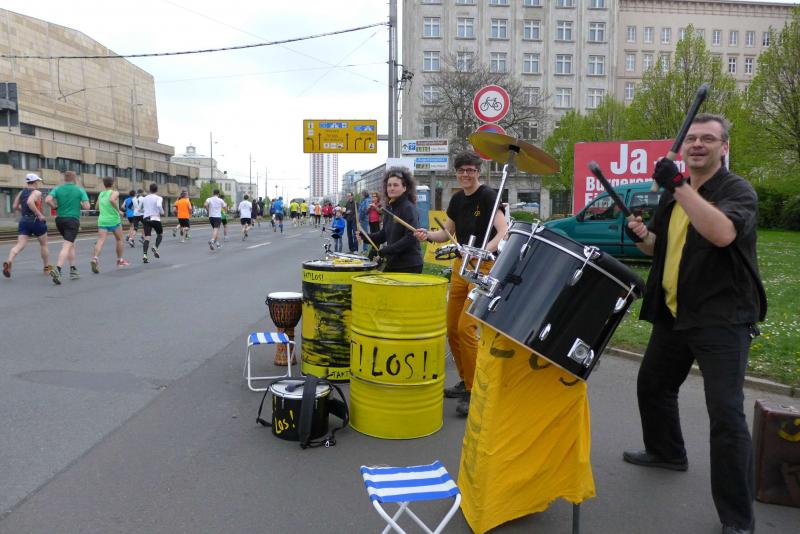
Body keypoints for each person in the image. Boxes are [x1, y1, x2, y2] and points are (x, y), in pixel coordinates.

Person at [623, 114, 766, 534]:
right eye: (692, 139)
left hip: (721, 318)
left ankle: (738, 519)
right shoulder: (675, 196)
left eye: (708, 139)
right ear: (683, 148)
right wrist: (642, 236)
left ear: (724, 148)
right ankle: (667, 452)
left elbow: (722, 234)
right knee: (653, 385)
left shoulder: (736, 190)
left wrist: (679, 186)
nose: (698, 144)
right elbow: (660, 249)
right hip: (676, 313)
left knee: (725, 415)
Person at [414, 151, 508, 416]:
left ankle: (475, 389)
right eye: (462, 170)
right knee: (452, 329)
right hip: (460, 267)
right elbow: (446, 233)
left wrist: (486, 250)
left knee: (466, 328)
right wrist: (427, 235)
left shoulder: (488, 196)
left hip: (483, 267)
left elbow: (503, 230)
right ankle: (466, 379)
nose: (466, 175)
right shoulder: (457, 199)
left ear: (477, 172)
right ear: (456, 173)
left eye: (470, 170)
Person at [364, 168, 423, 273]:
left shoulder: (408, 208)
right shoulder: (389, 207)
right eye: (389, 185)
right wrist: (365, 236)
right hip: (393, 262)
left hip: (409, 264)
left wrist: (387, 250)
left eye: (395, 185)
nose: (391, 188)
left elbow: (411, 237)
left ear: (404, 188)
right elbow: (384, 234)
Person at [3, 173, 52, 278]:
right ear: (34, 182)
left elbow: (15, 206)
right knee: (43, 245)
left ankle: (9, 261)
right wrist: (39, 214)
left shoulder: (21, 192)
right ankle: (47, 268)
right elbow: (30, 202)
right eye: (38, 181)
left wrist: (25, 212)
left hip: (24, 221)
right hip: (36, 221)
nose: (38, 183)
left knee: (19, 245)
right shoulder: (36, 192)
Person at [45, 170, 90, 284]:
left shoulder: (57, 189)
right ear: (75, 179)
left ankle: (73, 269)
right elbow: (87, 207)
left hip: (60, 220)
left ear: (64, 178)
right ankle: (58, 269)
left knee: (70, 244)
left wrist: (54, 206)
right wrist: (80, 202)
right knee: (66, 246)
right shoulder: (79, 190)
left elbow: (47, 200)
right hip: (72, 220)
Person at [90, 177, 129, 273]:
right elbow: (112, 200)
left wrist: (104, 208)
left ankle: (95, 258)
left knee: (100, 240)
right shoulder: (115, 192)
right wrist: (119, 211)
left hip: (102, 220)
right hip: (114, 220)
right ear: (113, 184)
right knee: (119, 239)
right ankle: (119, 260)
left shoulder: (101, 194)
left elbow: (96, 207)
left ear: (104, 184)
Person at [141, 183, 165, 263]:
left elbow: (141, 209)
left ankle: (145, 255)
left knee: (147, 238)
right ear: (156, 190)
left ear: (149, 189)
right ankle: (155, 247)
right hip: (155, 218)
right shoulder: (159, 198)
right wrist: (162, 212)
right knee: (160, 234)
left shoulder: (144, 198)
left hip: (146, 218)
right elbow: (159, 205)